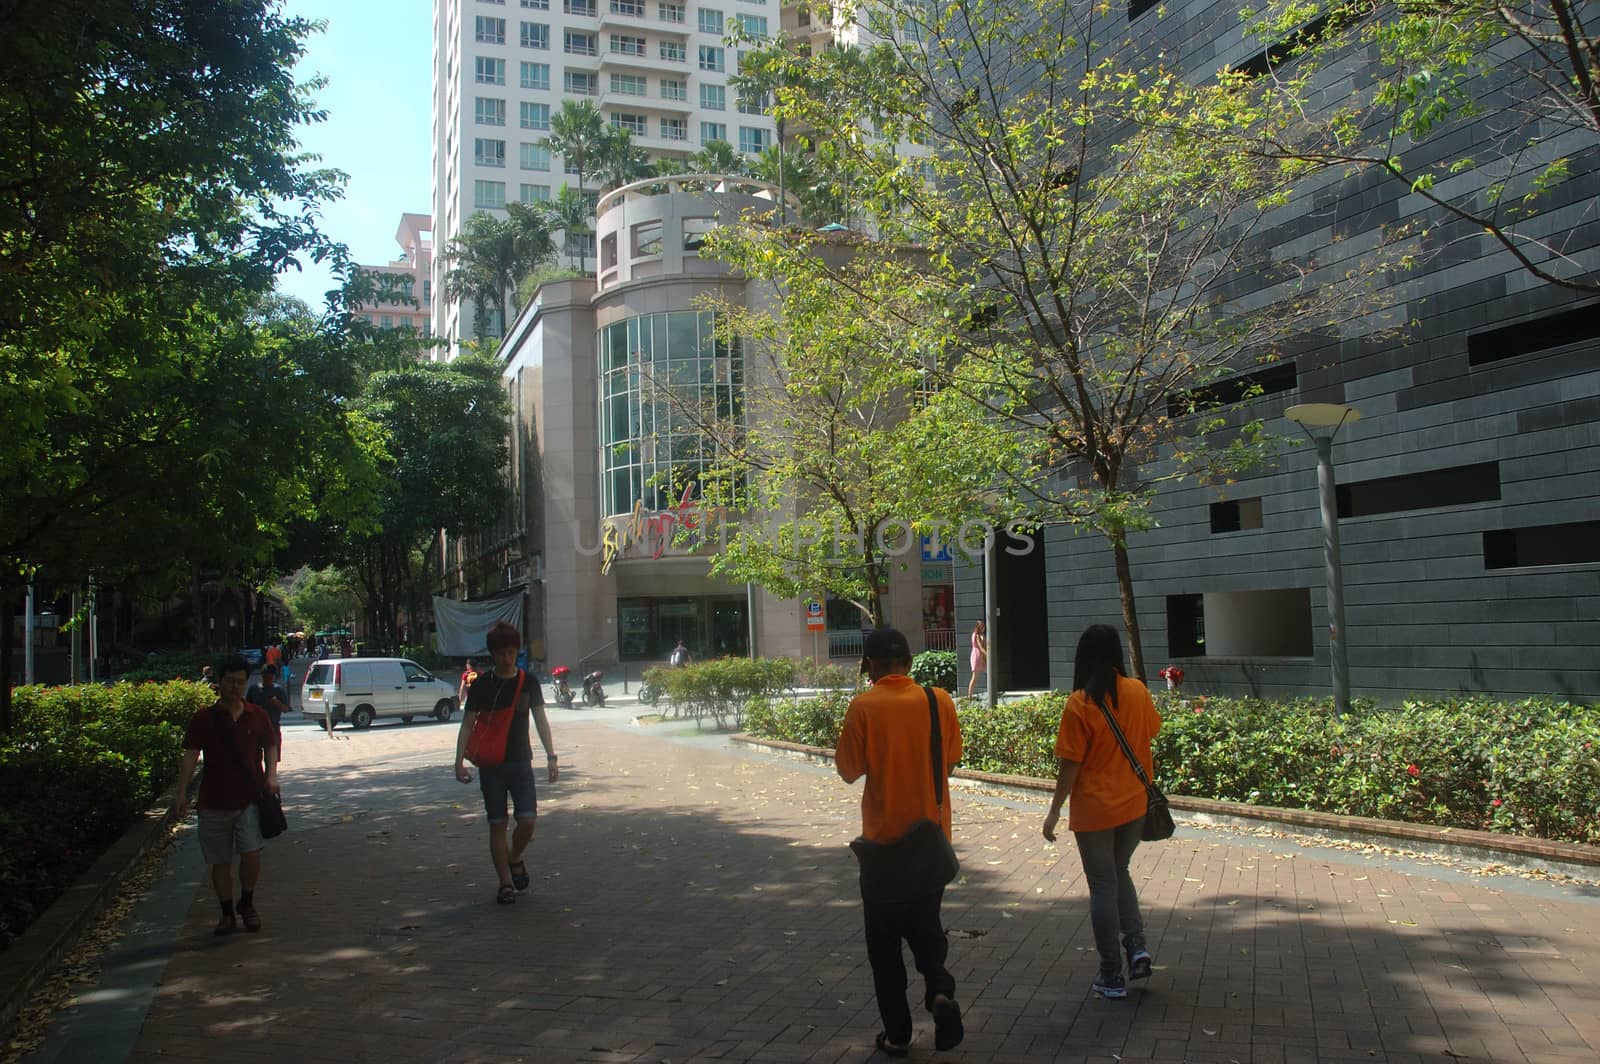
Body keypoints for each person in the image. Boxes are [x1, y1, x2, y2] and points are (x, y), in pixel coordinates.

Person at [835, 627, 964, 1056]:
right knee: (927, 930)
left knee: (885, 949)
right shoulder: (938, 700)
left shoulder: (864, 706)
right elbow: (950, 761)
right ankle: (940, 993)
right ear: (909, 662)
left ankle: (898, 1035)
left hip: (883, 848)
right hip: (931, 842)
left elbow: (848, 770)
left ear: (870, 666)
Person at [1042, 624, 1163, 1000]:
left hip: (1095, 810)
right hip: (1134, 805)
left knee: (1102, 886)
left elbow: (1070, 766)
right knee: (1119, 872)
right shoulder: (1138, 691)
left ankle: (1111, 974)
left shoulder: (1080, 703)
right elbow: (1152, 731)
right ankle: (1138, 948)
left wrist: (1053, 812)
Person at [453, 622, 559, 905]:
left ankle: (514, 857)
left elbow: (540, 720)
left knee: (527, 821)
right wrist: (458, 762)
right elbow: (467, 725)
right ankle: (505, 883)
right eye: (502, 652)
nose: (507, 657)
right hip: (491, 766)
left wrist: (552, 756)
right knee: (497, 824)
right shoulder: (482, 686)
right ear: (493, 654)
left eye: (512, 651)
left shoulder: (529, 683)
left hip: (520, 762)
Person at [173, 656, 280, 935]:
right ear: (219, 682)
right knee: (219, 861)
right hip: (213, 800)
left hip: (249, 798)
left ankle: (247, 902)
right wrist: (181, 793)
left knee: (251, 853)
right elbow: (189, 756)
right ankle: (226, 912)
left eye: (240, 682)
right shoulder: (204, 718)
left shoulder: (257, 715)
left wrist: (271, 776)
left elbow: (270, 746)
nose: (235, 687)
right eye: (230, 681)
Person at [245, 667, 290, 756]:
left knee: (272, 755)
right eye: (265, 677)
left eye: (270, 678)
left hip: (273, 726)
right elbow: (246, 707)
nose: (267, 680)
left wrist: (276, 702)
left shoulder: (279, 690)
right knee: (254, 755)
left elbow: (285, 709)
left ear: (274, 677)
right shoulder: (254, 689)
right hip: (255, 727)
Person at [965, 620, 987, 699]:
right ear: (978, 627)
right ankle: (969, 696)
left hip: (982, 656)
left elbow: (984, 646)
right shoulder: (976, 635)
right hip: (977, 656)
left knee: (988, 672)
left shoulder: (981, 635)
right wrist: (987, 655)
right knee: (974, 677)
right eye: (981, 626)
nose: (983, 627)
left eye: (983, 626)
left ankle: (970, 696)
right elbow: (980, 647)